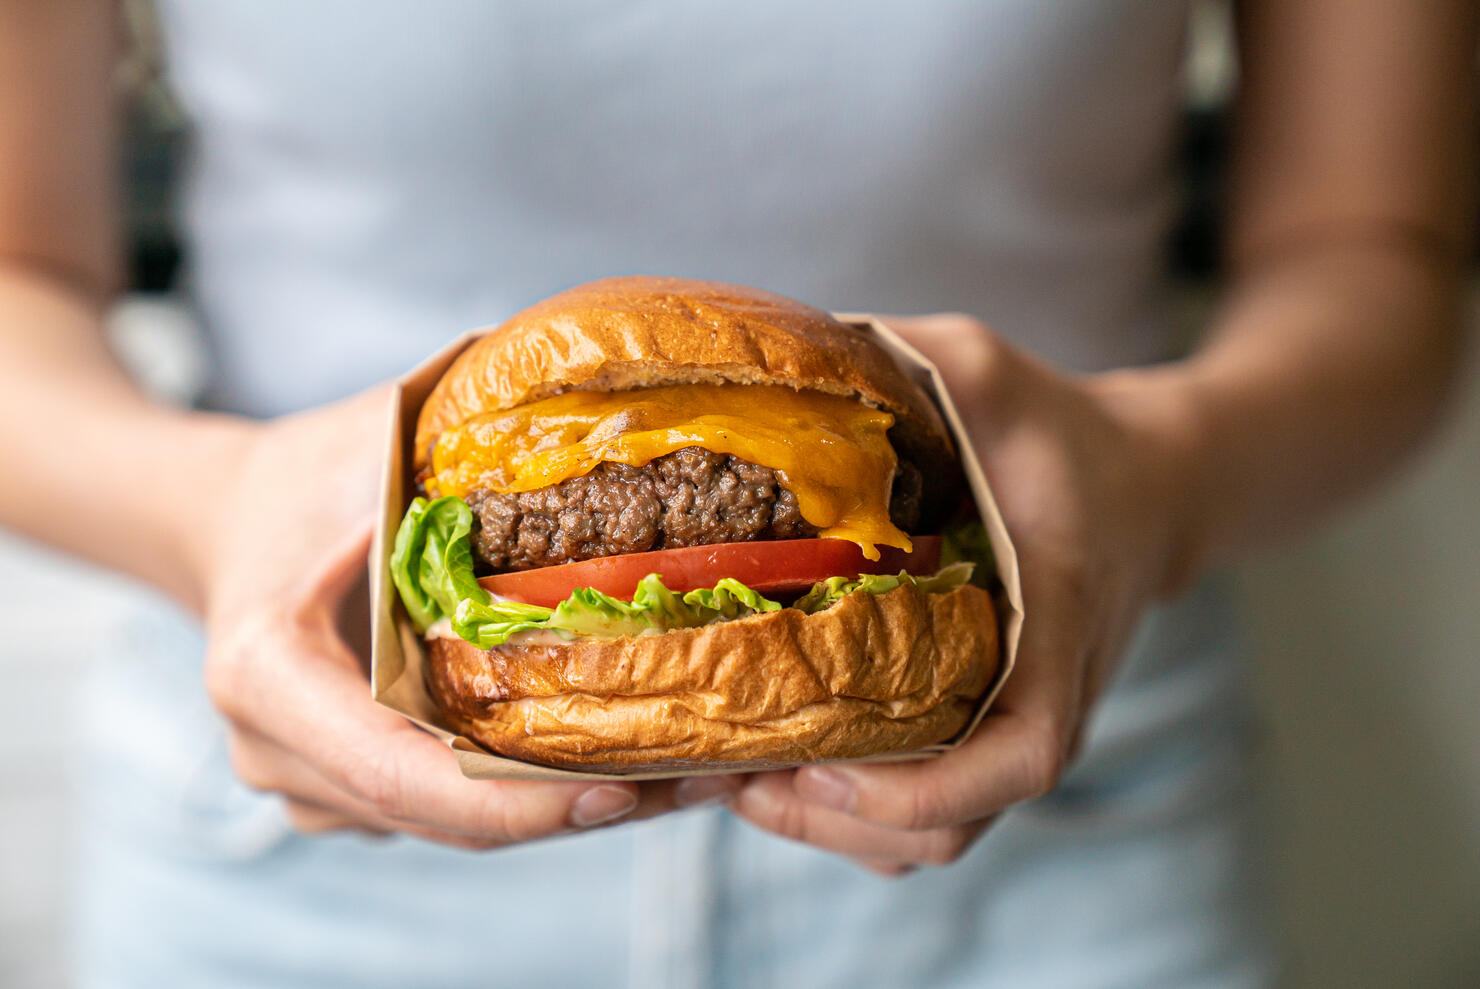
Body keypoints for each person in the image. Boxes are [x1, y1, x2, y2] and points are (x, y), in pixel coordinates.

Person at [1, 2, 1472, 986]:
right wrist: (209, 511)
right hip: (304, 844)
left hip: (1071, 822)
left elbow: (1377, 243)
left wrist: (1167, 471)